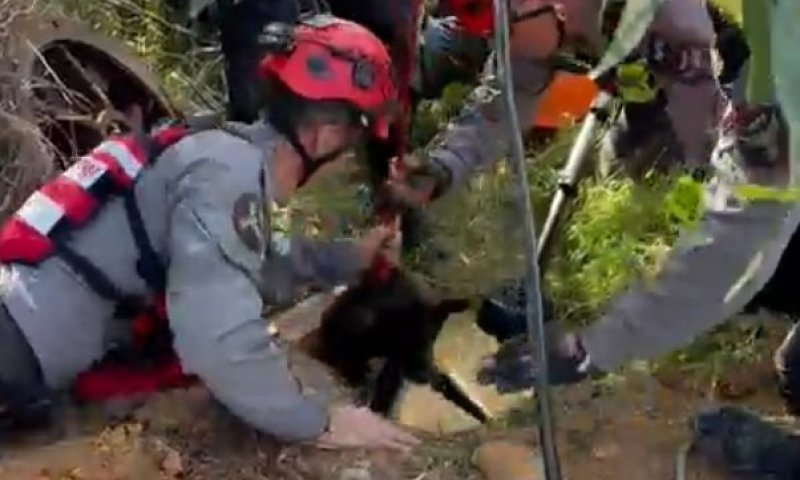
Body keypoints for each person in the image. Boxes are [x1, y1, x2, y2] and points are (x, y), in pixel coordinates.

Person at [0, 14, 420, 450]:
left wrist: (351, 258)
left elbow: (258, 265)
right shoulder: (227, 176)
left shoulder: (220, 154)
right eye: (353, 144)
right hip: (15, 354)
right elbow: (217, 339)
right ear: (326, 134)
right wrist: (319, 422)